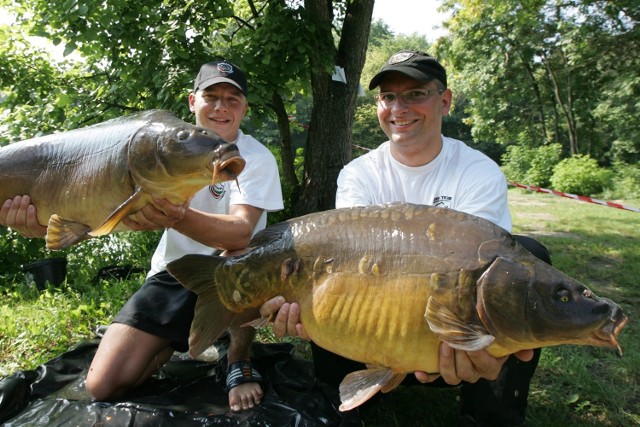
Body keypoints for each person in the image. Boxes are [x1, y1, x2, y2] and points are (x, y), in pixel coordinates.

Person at [261, 51, 550, 426]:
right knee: (331, 277)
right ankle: (351, 395)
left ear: (444, 100)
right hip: (367, 333)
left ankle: (489, 412)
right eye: (388, 97)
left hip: (450, 343)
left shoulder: (478, 171)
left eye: (415, 94)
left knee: (526, 260)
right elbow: (343, 258)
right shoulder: (359, 174)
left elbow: (472, 276)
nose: (399, 107)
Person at [0, 60, 284, 413]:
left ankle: (237, 356)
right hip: (174, 270)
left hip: (232, 264)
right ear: (193, 101)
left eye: (232, 99)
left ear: (244, 107)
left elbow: (241, 232)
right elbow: (89, 221)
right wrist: (39, 223)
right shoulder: (155, 146)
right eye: (211, 96)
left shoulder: (255, 157)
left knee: (242, 260)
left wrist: (178, 217)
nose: (221, 107)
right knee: (102, 385)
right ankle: (172, 339)